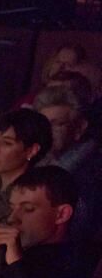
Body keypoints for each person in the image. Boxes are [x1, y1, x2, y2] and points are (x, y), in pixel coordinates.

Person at [34, 86, 102, 241]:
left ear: (79, 128)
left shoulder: (92, 172)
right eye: (43, 124)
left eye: (57, 124)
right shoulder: (39, 160)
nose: (47, 131)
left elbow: (77, 230)